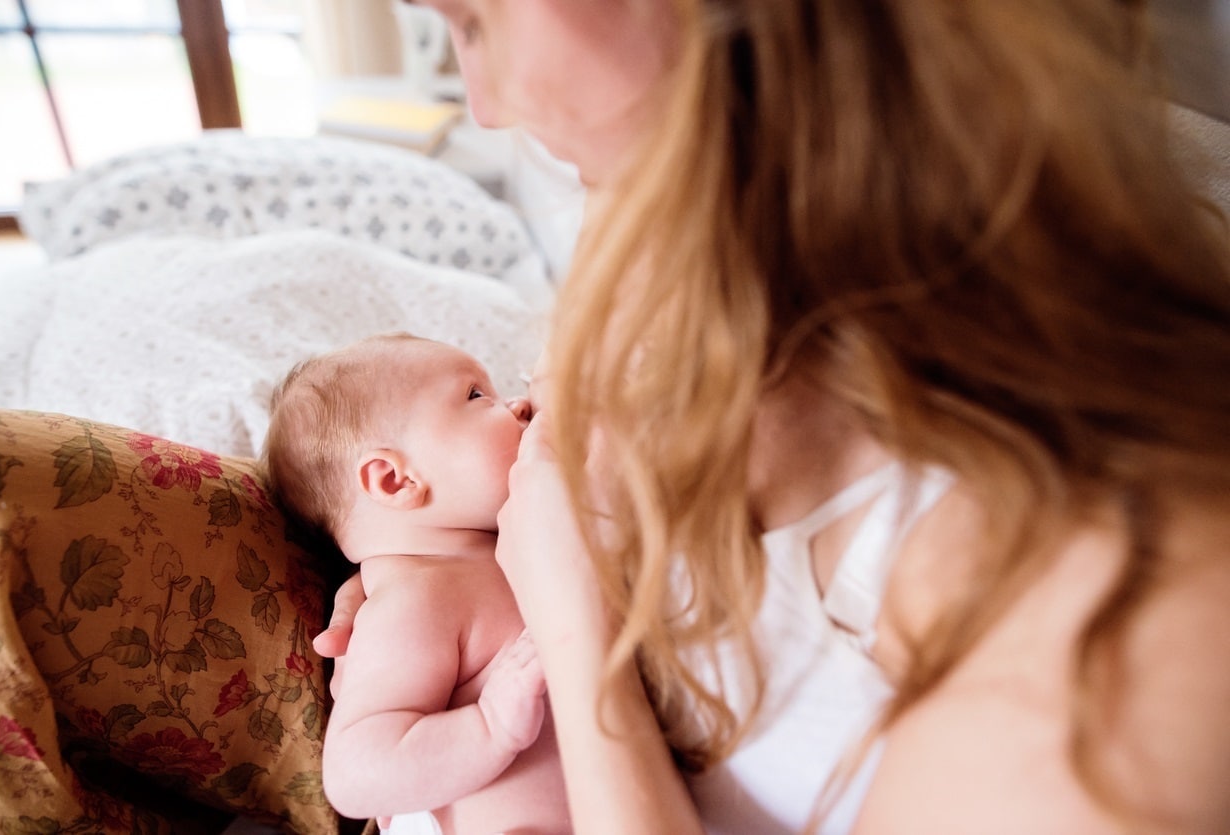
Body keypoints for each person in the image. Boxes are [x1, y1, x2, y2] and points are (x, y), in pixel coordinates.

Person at [318, 1, 1230, 832]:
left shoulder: (1124, 596)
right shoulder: (654, 282)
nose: (487, 105)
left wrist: (572, 633)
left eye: (476, 23)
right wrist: (434, 569)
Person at [263, 332, 569, 835]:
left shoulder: (494, 552)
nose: (518, 405)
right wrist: (489, 723)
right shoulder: (414, 599)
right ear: (395, 480)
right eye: (476, 395)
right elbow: (356, 775)